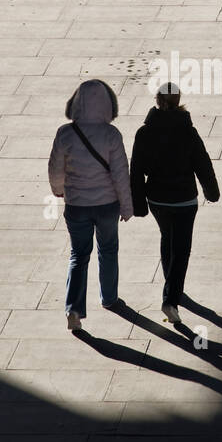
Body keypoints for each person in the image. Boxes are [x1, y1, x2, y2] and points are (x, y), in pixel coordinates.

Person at [130, 82, 220, 324]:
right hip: (184, 199)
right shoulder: (188, 131)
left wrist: (138, 204)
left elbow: (136, 170)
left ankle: (170, 283)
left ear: (157, 101)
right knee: (182, 249)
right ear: (179, 100)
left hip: (157, 198)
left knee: (167, 238)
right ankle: (170, 300)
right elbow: (203, 164)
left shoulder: (144, 132)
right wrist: (211, 192)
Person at [48, 79, 133, 331]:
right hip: (107, 205)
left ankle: (73, 308)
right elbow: (120, 174)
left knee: (78, 255)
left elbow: (55, 170)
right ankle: (109, 298)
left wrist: (59, 191)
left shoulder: (65, 133)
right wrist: (127, 207)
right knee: (108, 250)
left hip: (76, 205)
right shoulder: (111, 135)